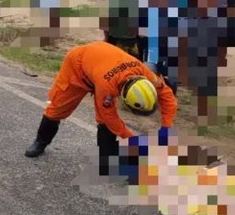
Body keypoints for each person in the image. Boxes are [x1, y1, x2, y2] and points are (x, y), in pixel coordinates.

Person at [24, 40, 178, 171]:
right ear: (123, 96)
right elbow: (109, 116)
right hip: (77, 66)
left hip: (102, 62)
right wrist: (132, 140)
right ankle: (40, 142)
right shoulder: (107, 87)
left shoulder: (147, 74)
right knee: (57, 109)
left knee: (104, 122)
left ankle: (107, 158)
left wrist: (166, 127)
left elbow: (167, 96)